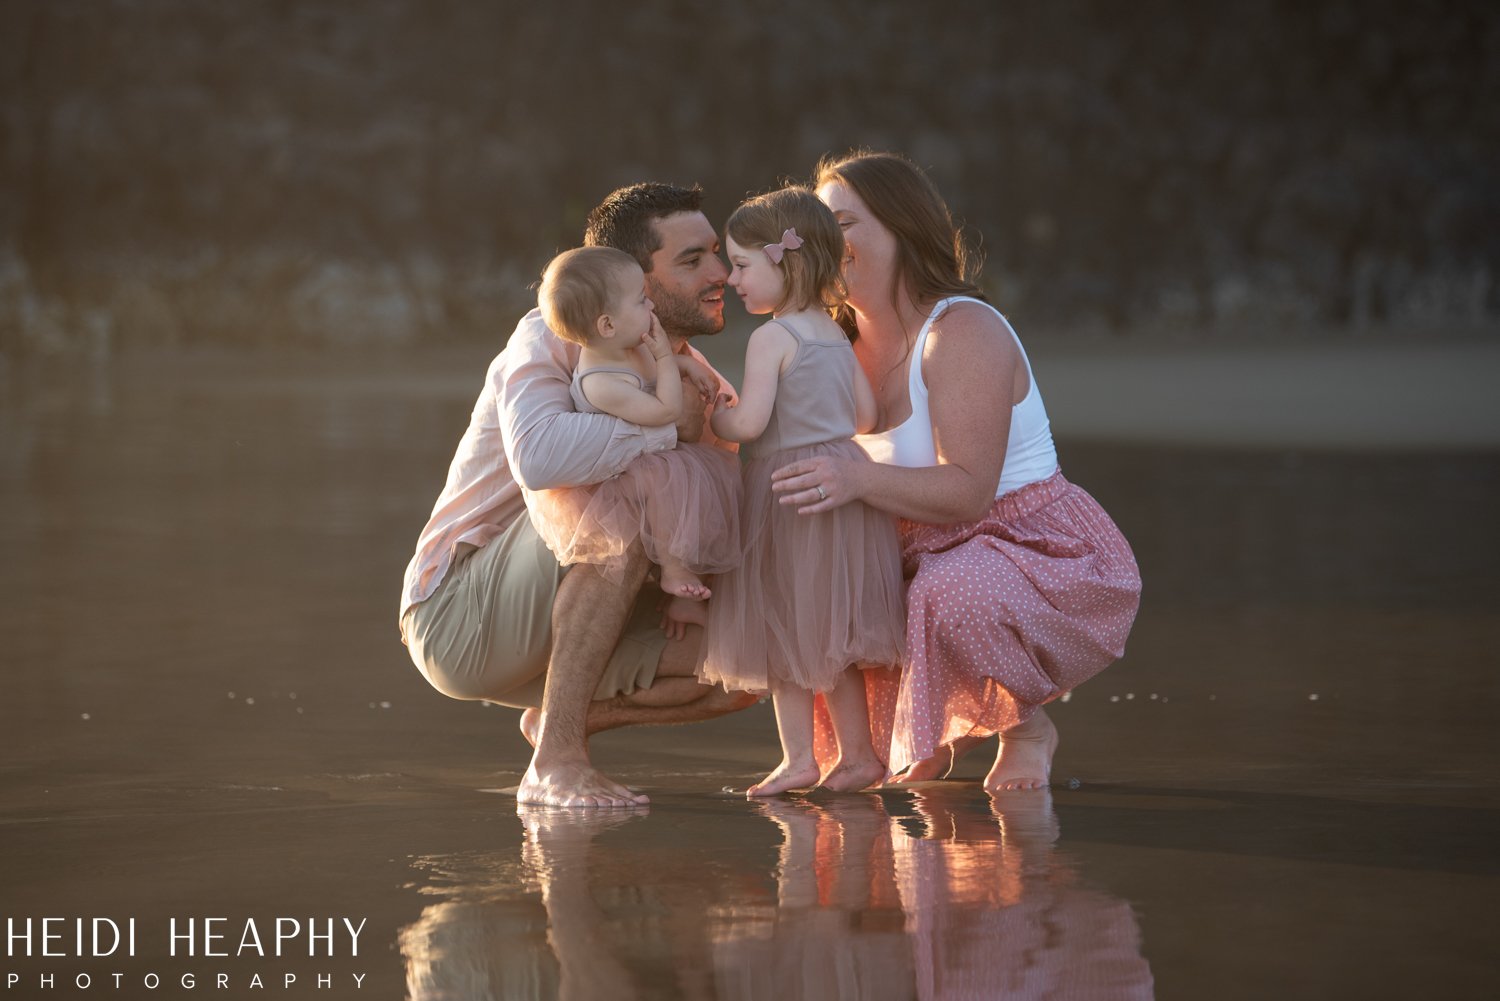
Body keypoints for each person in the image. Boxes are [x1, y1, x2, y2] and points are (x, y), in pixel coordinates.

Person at [771, 151, 1142, 793]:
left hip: (1023, 544)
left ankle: (1026, 729)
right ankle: (919, 735)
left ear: (903, 229)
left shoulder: (962, 330)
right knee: (811, 582)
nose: (823, 240)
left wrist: (855, 480)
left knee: (951, 591)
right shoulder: (825, 343)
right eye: (816, 225)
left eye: (844, 222)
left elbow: (970, 490)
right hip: (910, 546)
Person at [399, 183, 756, 808]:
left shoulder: (694, 376)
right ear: (628, 281)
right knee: (621, 506)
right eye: (693, 259)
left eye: (717, 255)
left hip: (567, 630)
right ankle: (558, 763)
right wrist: (667, 429)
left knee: (760, 654)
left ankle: (556, 728)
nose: (721, 272)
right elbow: (540, 459)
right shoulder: (549, 336)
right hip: (457, 612)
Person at [699, 187, 905, 797]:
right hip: (842, 487)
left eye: (740, 265)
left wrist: (717, 415)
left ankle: (799, 759)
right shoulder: (836, 335)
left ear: (782, 261)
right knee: (831, 635)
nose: (731, 279)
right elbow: (866, 416)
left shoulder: (773, 338)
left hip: (784, 491)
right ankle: (860, 754)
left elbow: (752, 423)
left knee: (780, 626)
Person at [525, 246, 741, 619]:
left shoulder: (621, 349)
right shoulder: (600, 382)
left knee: (696, 495)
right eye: (641, 301)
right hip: (620, 484)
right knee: (668, 489)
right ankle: (674, 574)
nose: (652, 308)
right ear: (607, 325)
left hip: (650, 465)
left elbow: (654, 375)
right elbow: (667, 411)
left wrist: (683, 363)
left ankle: (685, 592)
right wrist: (665, 358)